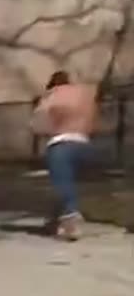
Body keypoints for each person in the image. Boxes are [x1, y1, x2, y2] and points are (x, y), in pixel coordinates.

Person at [31, 70, 97, 241]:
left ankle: (70, 221)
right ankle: (55, 220)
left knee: (62, 184)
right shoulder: (85, 95)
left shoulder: (52, 95)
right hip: (84, 144)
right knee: (67, 183)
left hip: (61, 144)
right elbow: (94, 120)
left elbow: (38, 123)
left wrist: (48, 128)